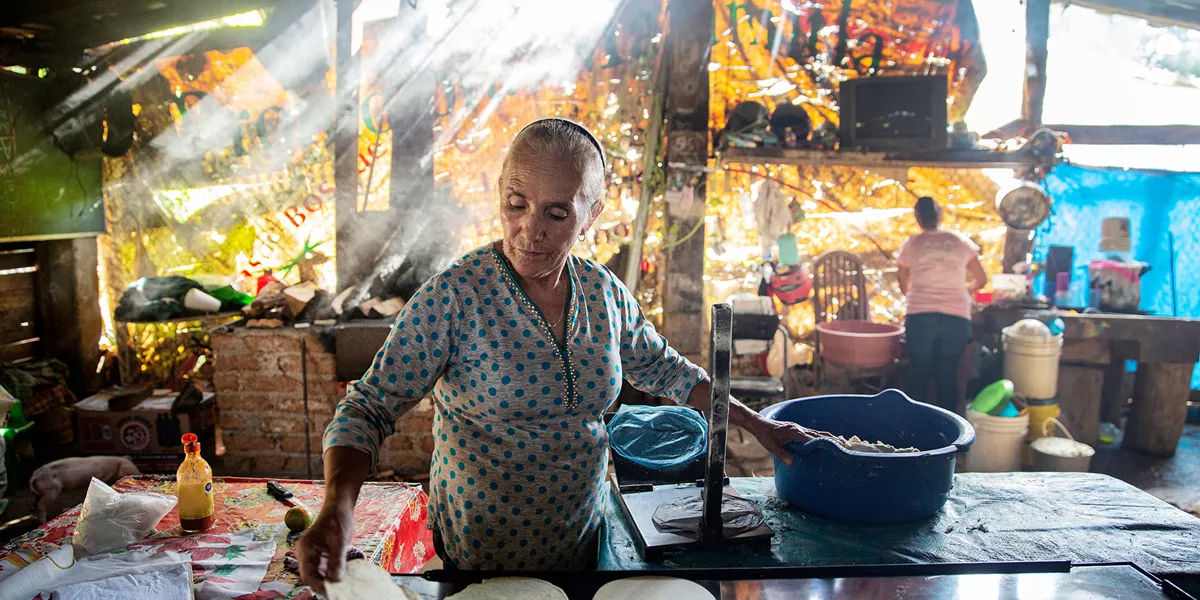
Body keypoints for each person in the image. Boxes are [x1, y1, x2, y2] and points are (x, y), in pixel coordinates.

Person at [297, 119, 826, 588]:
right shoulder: (455, 296)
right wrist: (337, 510)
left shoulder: (603, 293)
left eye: (556, 212)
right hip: (481, 554)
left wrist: (758, 425)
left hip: (585, 540)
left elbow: (668, 371)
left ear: (591, 214)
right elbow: (367, 408)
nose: (530, 229)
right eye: (515, 204)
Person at [896, 196, 987, 413]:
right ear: (940, 215)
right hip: (956, 316)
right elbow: (982, 279)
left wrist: (919, 297)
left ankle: (909, 434)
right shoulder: (959, 241)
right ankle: (949, 437)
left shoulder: (912, 244)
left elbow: (903, 284)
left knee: (919, 374)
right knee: (948, 375)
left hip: (920, 315)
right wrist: (963, 291)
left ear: (918, 218)